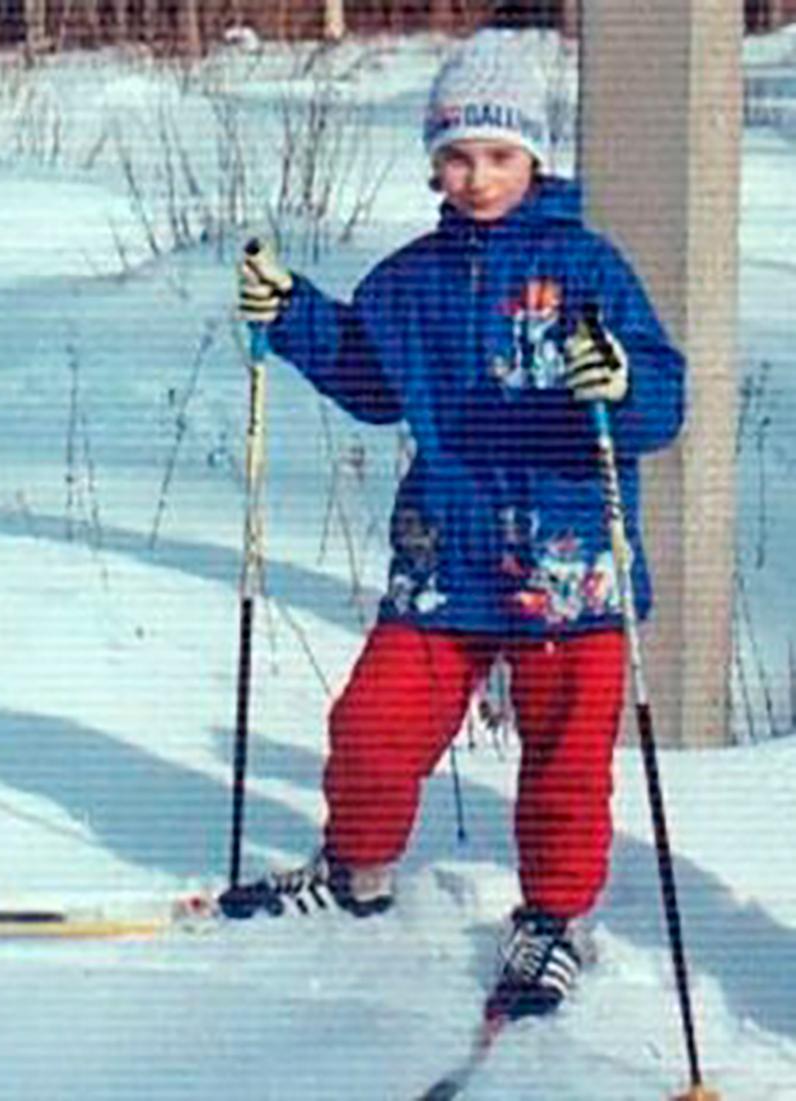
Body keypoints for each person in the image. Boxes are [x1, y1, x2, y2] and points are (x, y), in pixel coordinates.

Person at [219, 30, 685, 1022]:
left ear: (535, 159)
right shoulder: (410, 278)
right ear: (434, 160)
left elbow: (661, 402)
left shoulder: (590, 268)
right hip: (447, 563)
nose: (477, 177)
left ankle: (554, 921)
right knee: (372, 729)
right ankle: (355, 873)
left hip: (568, 569)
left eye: (499, 156)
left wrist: (623, 382)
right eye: (458, 155)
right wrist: (292, 312)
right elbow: (368, 378)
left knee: (564, 761)